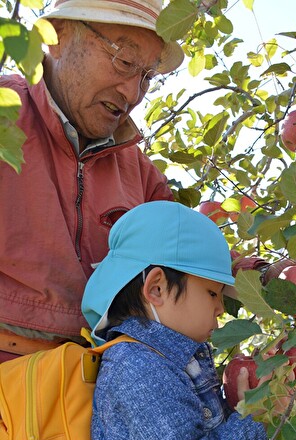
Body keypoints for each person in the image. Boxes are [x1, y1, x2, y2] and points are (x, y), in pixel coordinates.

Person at [0, 0, 185, 363]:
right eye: (125, 61)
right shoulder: (5, 115)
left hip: (89, 394)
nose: (133, 94)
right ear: (57, 37)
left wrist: (256, 274)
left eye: (146, 76)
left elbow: (184, 249)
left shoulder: (137, 170)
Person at [81, 201, 268, 440]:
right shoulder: (138, 367)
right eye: (212, 293)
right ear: (157, 289)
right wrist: (252, 419)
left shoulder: (173, 361)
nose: (219, 308)